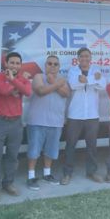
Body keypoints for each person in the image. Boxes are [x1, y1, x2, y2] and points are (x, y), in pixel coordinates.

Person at [0, 52, 32, 203]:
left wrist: (14, 81)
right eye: (11, 62)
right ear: (5, 63)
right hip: (0, 122)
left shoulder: (21, 78)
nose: (14, 65)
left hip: (16, 123)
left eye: (17, 63)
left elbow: (27, 91)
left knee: (13, 156)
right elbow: (4, 90)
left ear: (20, 65)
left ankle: (8, 183)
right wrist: (17, 83)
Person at [61, 47, 106, 185]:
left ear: (90, 58)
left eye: (87, 56)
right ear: (78, 58)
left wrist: (85, 80)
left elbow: (102, 85)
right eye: (82, 56)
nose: (84, 59)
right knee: (70, 145)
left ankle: (91, 172)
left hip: (92, 115)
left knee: (91, 146)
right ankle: (67, 174)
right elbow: (73, 85)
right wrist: (93, 80)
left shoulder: (96, 69)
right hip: (75, 115)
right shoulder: (73, 71)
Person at [26, 55, 70, 190]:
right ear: (45, 65)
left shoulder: (63, 80)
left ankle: (47, 174)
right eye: (50, 63)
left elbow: (65, 94)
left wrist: (54, 83)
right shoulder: (38, 76)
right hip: (37, 120)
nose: (52, 66)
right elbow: (40, 91)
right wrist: (56, 83)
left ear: (59, 67)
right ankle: (31, 176)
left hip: (56, 122)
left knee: (50, 151)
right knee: (34, 151)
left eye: (56, 64)